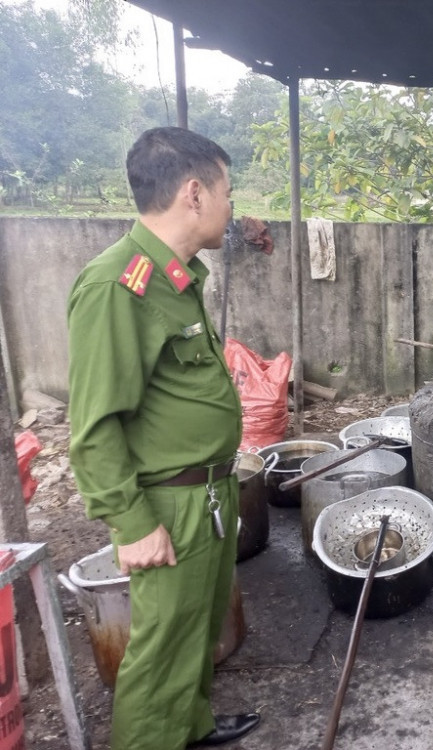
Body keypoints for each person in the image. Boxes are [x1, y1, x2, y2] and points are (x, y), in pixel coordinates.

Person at [67, 127, 260, 749]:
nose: (232, 208)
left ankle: (191, 725)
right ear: (195, 193)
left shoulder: (175, 279)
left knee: (195, 625)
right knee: (159, 650)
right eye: (228, 192)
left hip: (206, 491)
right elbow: (95, 425)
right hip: (169, 505)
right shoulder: (118, 286)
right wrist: (131, 522)